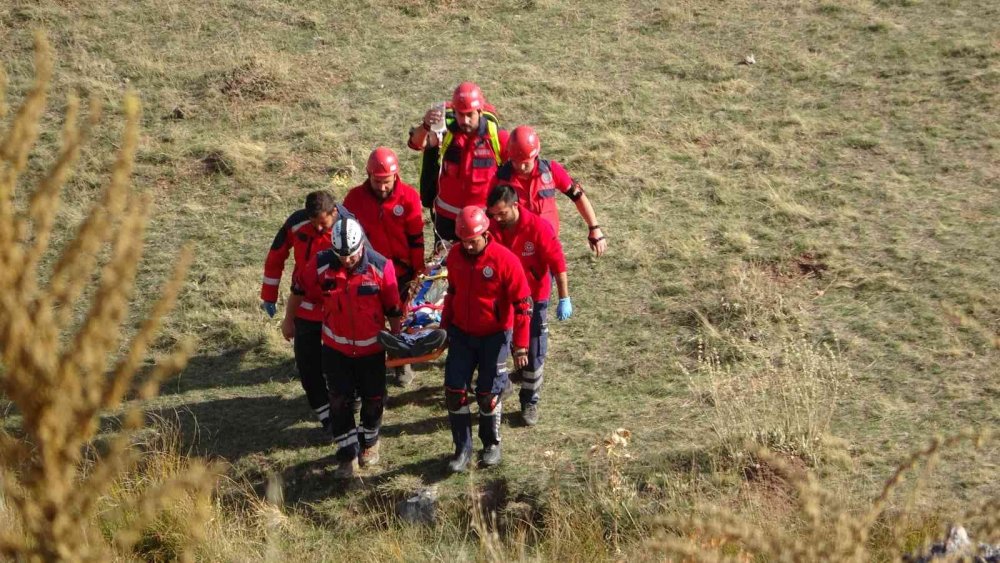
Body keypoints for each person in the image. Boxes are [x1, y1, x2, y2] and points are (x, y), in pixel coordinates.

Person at [293, 217, 403, 479]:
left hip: (371, 349)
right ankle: (347, 454)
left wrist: (397, 341)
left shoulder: (380, 266)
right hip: (335, 348)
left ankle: (370, 442)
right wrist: (292, 321)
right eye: (341, 255)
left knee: (373, 399)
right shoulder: (320, 266)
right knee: (339, 401)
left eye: (352, 255)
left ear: (361, 246)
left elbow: (393, 309)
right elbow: (299, 290)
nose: (347, 260)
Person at [440, 206, 532, 472]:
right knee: (454, 391)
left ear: (485, 233)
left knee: (487, 394)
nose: (468, 246)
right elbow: (452, 294)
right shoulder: (455, 256)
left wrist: (521, 344)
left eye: (473, 241)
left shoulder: (505, 261)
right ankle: (462, 449)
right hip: (461, 334)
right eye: (463, 241)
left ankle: (491, 444)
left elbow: (523, 304)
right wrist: (444, 329)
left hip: (495, 336)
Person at [259, 191, 354, 432]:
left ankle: (350, 402)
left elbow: (366, 261)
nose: (319, 229)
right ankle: (325, 415)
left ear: (334, 213)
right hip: (306, 304)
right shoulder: (296, 224)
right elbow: (275, 257)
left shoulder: (349, 226)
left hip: (339, 305)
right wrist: (269, 295)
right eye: (314, 224)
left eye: (323, 224)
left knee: (344, 361)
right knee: (307, 364)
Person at [486, 184, 572, 427]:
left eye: (501, 213)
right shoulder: (491, 227)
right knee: (499, 345)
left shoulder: (538, 228)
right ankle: (502, 384)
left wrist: (564, 297)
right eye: (493, 214)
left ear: (515, 205)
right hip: (501, 297)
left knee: (533, 351)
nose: (497, 219)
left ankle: (529, 400)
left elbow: (558, 265)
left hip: (534, 297)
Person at [343, 147, 425, 386]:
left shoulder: (409, 197)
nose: (381, 187)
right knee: (371, 321)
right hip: (368, 272)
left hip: (401, 272)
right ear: (368, 175)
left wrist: (418, 270)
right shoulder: (354, 199)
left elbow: (416, 238)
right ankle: (373, 365)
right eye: (377, 181)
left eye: (386, 182)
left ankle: (401, 363)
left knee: (400, 317)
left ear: (395, 176)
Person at [407, 82, 509, 242]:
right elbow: (417, 143)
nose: (465, 120)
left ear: (480, 112)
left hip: (483, 221)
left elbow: (518, 170)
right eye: (460, 114)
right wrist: (426, 125)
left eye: (470, 114)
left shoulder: (496, 137)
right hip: (447, 221)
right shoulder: (446, 132)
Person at [493, 126, 608, 257]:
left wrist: (594, 228)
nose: (520, 167)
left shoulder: (551, 171)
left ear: (535, 155)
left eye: (526, 163)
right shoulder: (499, 180)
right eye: (515, 161)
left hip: (547, 247)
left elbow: (578, 196)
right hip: (516, 252)